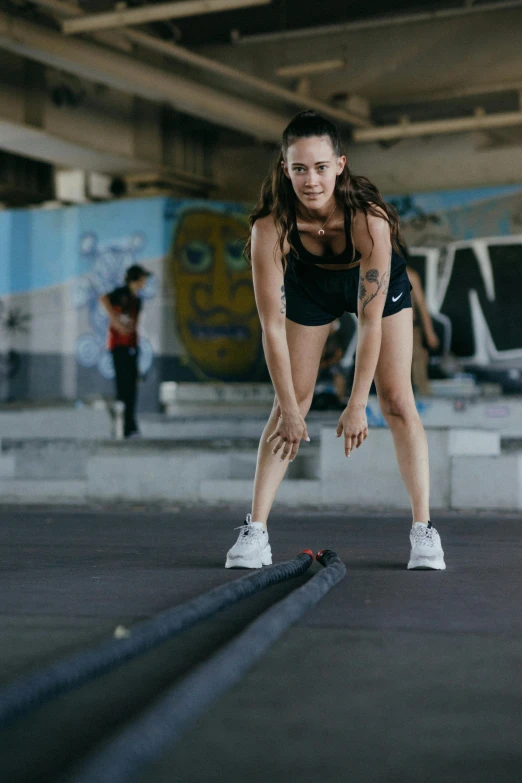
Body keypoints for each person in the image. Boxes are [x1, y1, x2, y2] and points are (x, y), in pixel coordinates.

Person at [225, 110, 445, 571]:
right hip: (310, 288)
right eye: (300, 168)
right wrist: (288, 407)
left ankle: (424, 532)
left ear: (340, 165)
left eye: (321, 167)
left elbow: (369, 323)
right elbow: (271, 326)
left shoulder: (370, 223)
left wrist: (357, 401)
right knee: (292, 402)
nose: (311, 180)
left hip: (373, 290)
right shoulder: (270, 228)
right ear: (285, 169)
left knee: (398, 401)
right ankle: (256, 531)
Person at [100, 264, 151, 438]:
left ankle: (130, 425)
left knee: (132, 388)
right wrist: (116, 322)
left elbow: (134, 323)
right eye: (142, 279)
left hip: (132, 347)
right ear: (135, 279)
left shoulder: (137, 300)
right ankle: (122, 426)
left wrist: (129, 328)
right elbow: (104, 299)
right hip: (119, 347)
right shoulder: (121, 293)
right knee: (123, 388)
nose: (144, 283)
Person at [405, 264, 440, 395]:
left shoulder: (409, 275)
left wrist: (429, 333)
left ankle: (424, 399)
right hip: (388, 328)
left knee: (418, 364)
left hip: (410, 327)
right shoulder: (379, 273)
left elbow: (421, 306)